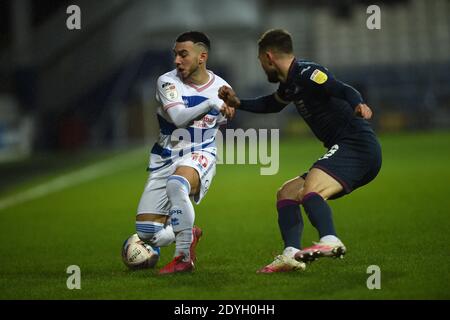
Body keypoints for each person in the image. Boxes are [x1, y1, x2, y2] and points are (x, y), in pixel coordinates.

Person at [219, 29, 382, 273]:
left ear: (268, 57)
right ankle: (291, 255)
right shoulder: (290, 83)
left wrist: (358, 102)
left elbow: (341, 88)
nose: (262, 66)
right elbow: (272, 104)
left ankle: (330, 239)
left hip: (356, 145)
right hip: (348, 148)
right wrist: (238, 103)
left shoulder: (307, 72)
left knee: (311, 188)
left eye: (261, 61)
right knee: (286, 193)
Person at [136, 31, 234, 274]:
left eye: (183, 54)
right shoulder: (167, 82)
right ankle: (189, 232)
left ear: (202, 57)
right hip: (165, 156)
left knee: (177, 184)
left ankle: (182, 257)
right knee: (147, 233)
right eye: (175, 55)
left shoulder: (223, 88)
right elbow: (179, 118)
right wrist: (211, 104)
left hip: (201, 153)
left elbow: (221, 121)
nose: (177, 60)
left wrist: (229, 108)